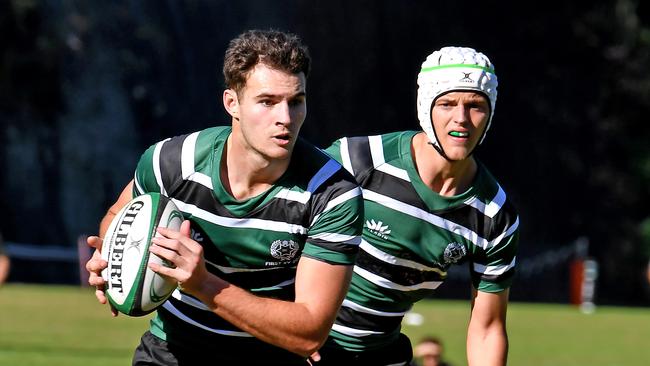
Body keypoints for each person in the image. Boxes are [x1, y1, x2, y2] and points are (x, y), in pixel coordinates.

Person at [85, 29, 364, 366]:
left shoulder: (331, 195)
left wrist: (203, 284)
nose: (285, 118)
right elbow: (120, 212)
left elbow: (309, 333)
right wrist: (110, 255)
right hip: (172, 351)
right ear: (232, 103)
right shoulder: (173, 162)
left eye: (296, 101)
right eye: (267, 101)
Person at [315, 46, 519, 365]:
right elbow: (280, 220)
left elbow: (487, 328)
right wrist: (289, 327)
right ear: (426, 108)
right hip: (300, 344)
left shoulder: (494, 213)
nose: (461, 119)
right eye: (447, 103)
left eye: (476, 105)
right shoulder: (358, 160)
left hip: (383, 354)